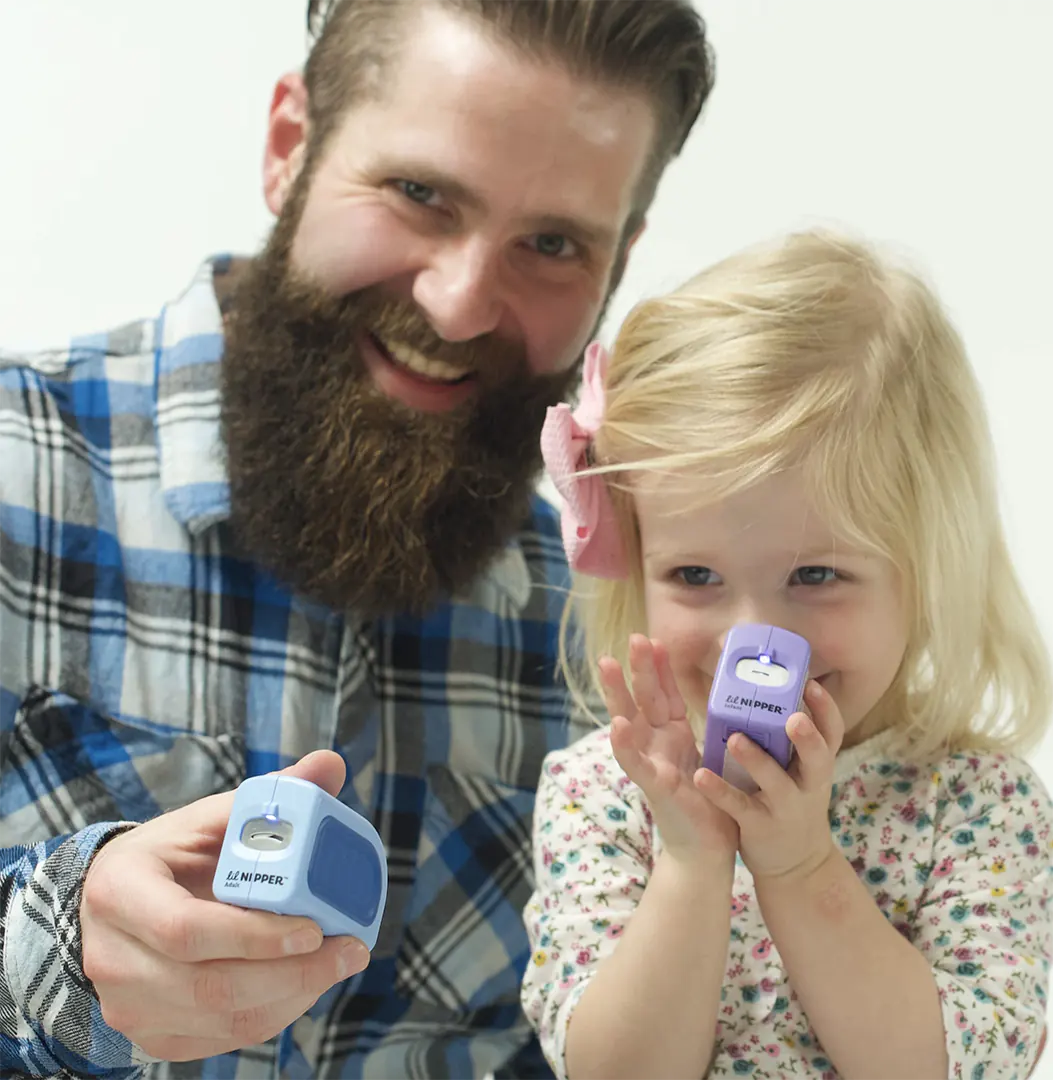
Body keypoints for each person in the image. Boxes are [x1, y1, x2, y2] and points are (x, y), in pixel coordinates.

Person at [0, 1, 716, 1076]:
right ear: (290, 147)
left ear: (619, 261)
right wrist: (47, 944)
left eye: (552, 244)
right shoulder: (17, 463)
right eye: (420, 194)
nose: (460, 304)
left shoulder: (618, 629)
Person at [521, 229, 1053, 1080]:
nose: (750, 643)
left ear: (928, 570)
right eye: (695, 576)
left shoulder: (973, 805)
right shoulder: (604, 795)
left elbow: (959, 1067)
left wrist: (803, 866)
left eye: (814, 574)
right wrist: (692, 861)